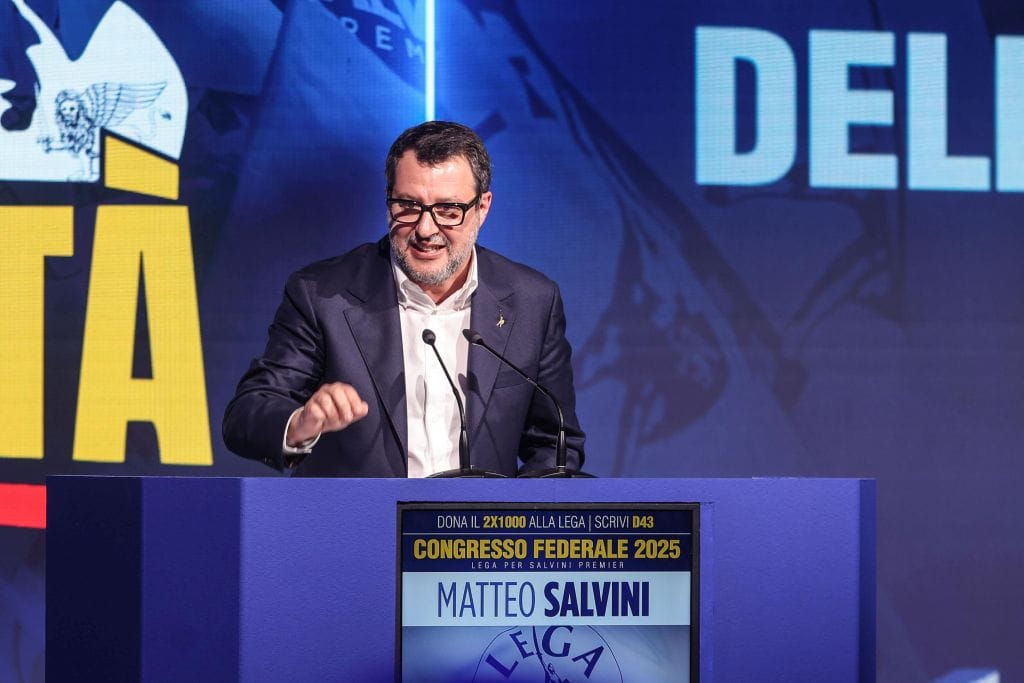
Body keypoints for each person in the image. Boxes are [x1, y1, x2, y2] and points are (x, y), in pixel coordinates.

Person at [223, 121, 585, 476]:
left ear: (482, 208)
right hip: (358, 516)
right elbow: (247, 413)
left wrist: (515, 514)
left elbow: (554, 446)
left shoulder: (532, 302)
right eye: (408, 206)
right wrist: (300, 423)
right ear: (388, 201)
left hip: (478, 519)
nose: (426, 230)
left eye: (448, 211)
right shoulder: (323, 295)